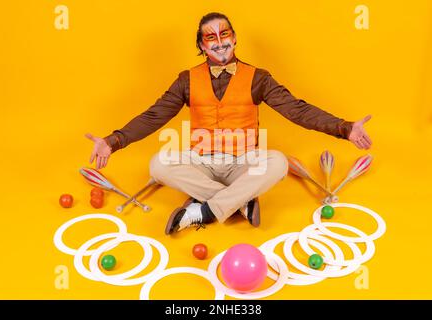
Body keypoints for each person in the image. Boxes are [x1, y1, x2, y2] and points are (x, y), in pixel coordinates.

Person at [85, 12, 372, 235]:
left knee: (278, 162)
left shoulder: (258, 77)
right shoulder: (186, 79)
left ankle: (202, 212)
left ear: (234, 39)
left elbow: (297, 110)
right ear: (201, 44)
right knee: (159, 164)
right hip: (201, 163)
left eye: (225, 34)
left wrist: (345, 128)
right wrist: (112, 141)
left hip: (244, 163)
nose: (219, 41)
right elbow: (154, 114)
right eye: (210, 37)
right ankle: (239, 203)